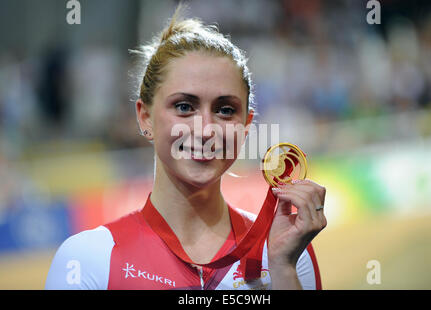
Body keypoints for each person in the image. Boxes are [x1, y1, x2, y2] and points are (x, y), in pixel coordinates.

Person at [45, 4, 327, 290]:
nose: (205, 130)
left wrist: (281, 267)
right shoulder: (87, 261)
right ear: (145, 117)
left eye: (226, 110)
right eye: (184, 106)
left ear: (245, 126)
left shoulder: (287, 252)